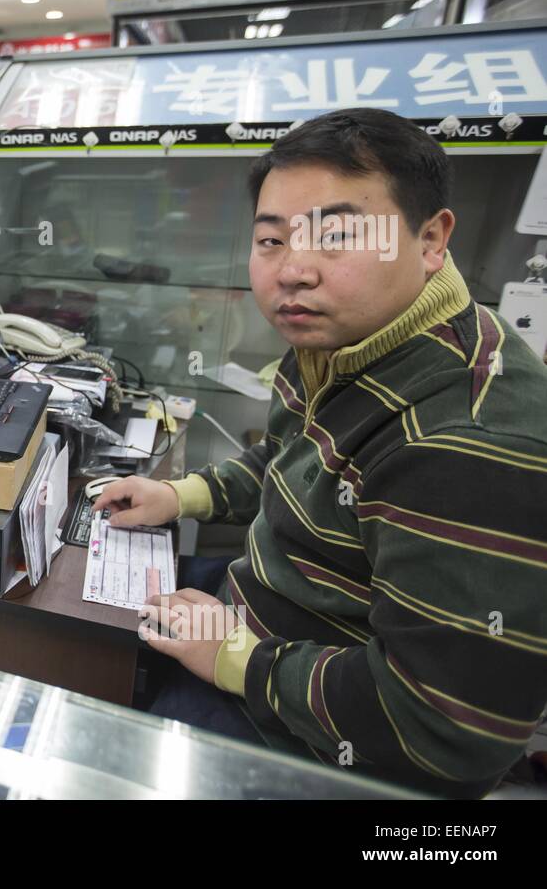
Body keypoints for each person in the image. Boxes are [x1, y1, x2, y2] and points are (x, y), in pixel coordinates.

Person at [94, 108, 547, 798]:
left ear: (431, 239)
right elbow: (288, 459)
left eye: (337, 235)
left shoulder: (469, 445)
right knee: (86, 608)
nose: (293, 270)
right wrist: (180, 496)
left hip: (308, 735)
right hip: (258, 604)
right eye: (271, 239)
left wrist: (238, 660)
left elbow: (446, 733)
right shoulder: (355, 341)